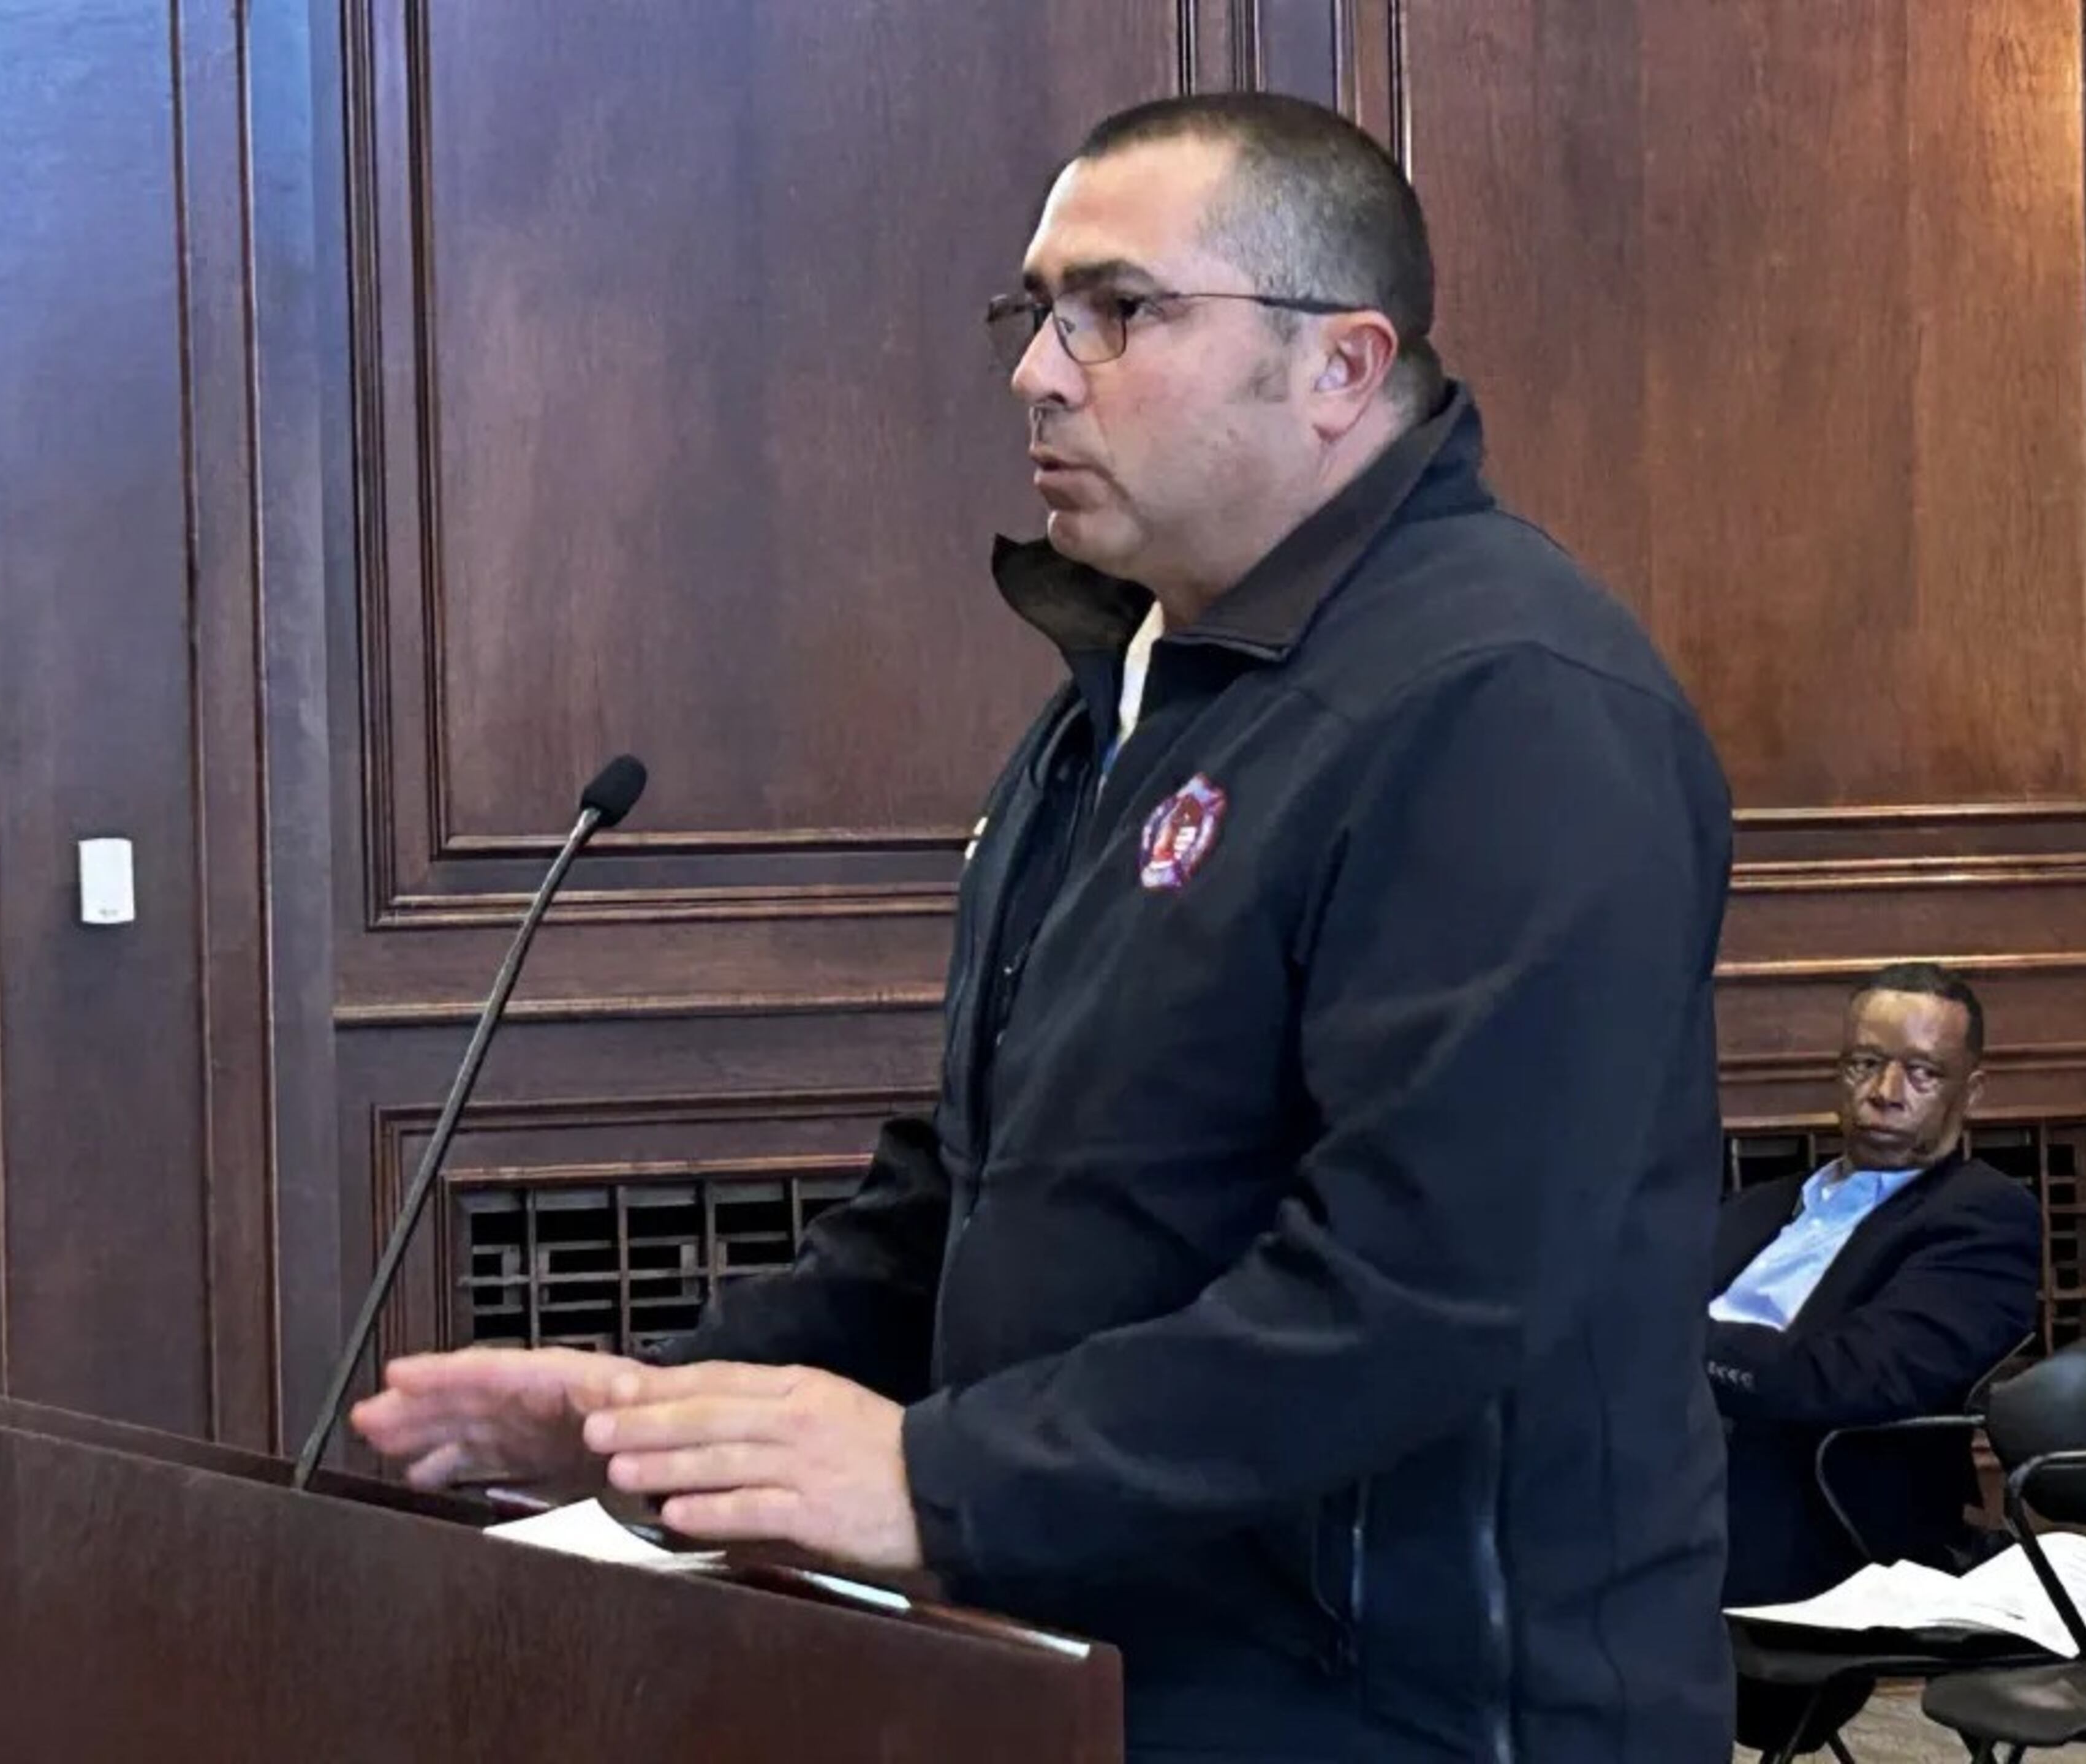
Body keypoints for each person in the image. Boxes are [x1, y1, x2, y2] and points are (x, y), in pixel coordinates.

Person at [355, 92, 1736, 1761]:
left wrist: (940, 1483)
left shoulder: (1506, 697)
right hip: (1107, 1662)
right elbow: (987, 1187)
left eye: (1119, 311)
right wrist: (668, 1419)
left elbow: (1429, 1281)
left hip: (1409, 1708)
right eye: (1036, 312)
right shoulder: (1140, 691)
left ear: (1342, 368)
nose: (1037, 369)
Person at [1714, 963, 2041, 1749]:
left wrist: (1663, 1346)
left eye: (1922, 1072)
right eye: (1866, 1062)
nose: (1887, 1090)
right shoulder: (1757, 1209)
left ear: (1974, 1090)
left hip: (1818, 1513)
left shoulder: (1982, 1217)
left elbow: (1855, 1377)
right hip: (1664, 1462)